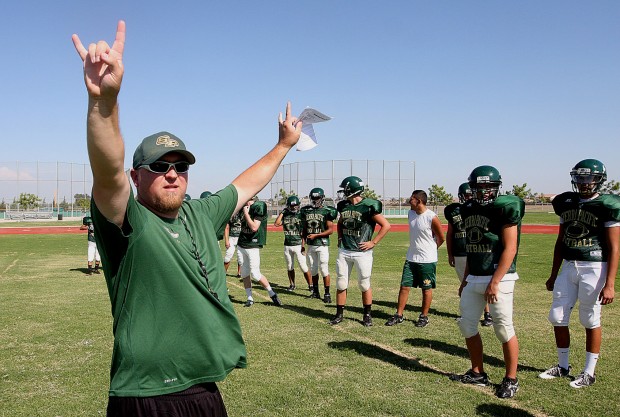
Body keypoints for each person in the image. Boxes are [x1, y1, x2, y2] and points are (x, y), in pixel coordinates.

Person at [72, 21, 302, 416]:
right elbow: (107, 169)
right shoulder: (128, 220)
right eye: (160, 166)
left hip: (204, 389)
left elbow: (245, 185)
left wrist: (282, 146)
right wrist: (104, 103)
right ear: (136, 176)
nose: (173, 173)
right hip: (144, 396)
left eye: (181, 165)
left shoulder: (199, 213)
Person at [539, 159, 619, 388]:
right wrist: (553, 273)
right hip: (569, 264)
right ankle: (563, 366)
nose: (584, 183)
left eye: (589, 178)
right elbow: (560, 240)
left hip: (594, 266)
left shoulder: (608, 204)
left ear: (599, 179)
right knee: (557, 316)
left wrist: (610, 283)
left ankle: (589, 372)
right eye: (581, 178)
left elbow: (614, 247)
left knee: (590, 318)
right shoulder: (567, 202)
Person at [449, 165, 524, 399]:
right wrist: (466, 278)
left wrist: (495, 281)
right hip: (475, 275)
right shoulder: (468, 208)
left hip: (500, 277)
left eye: (487, 187)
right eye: (478, 187)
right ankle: (477, 372)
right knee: (467, 325)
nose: (483, 192)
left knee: (503, 328)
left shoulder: (505, 207)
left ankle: (511, 379)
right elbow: (473, 248)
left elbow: (510, 248)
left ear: (496, 188)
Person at [330, 176, 391, 327]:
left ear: (352, 189)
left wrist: (373, 242)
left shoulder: (369, 205)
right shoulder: (343, 205)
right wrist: (339, 237)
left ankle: (367, 314)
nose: (343, 192)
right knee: (341, 282)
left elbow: (386, 225)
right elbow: (340, 222)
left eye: (345, 189)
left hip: (361, 252)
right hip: (345, 250)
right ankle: (339, 314)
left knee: (364, 284)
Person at [385, 190, 444, 327]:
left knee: (426, 288)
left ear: (419, 201)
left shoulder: (432, 217)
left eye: (411, 199)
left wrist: (430, 251)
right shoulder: (410, 213)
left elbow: (441, 238)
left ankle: (424, 316)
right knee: (404, 286)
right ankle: (398, 315)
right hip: (411, 258)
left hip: (427, 261)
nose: (408, 201)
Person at [444, 183, 493, 326]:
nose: (468, 198)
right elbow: (450, 233)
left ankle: (488, 314)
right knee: (465, 285)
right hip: (460, 253)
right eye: (466, 195)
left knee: (481, 282)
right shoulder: (454, 211)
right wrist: (450, 254)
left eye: (470, 195)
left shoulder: (481, 209)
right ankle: (469, 314)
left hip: (477, 251)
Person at [238, 196, 283, 307]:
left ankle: (272, 294)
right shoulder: (242, 206)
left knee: (255, 274)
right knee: (244, 273)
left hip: (253, 244)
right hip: (241, 244)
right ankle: (249, 298)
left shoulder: (259, 206)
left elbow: (254, 227)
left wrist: (246, 213)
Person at [300, 187, 338, 302]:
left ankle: (327, 293)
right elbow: (305, 230)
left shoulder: (327, 210)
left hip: (322, 244)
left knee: (324, 269)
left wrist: (316, 235)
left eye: (317, 198)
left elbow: (330, 230)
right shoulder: (306, 211)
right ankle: (316, 292)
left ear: (322, 198)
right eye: (314, 198)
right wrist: (303, 244)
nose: (315, 200)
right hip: (311, 245)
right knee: (313, 269)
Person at [274, 195, 312, 291]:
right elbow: (276, 223)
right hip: (287, 244)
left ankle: (311, 285)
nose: (294, 208)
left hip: (298, 244)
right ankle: (292, 285)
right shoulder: (286, 214)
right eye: (292, 206)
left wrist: (303, 246)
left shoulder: (301, 215)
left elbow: (304, 232)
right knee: (289, 266)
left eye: (296, 206)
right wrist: (282, 212)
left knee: (303, 267)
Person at [223, 210, 243, 277]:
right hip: (232, 237)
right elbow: (226, 227)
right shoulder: (231, 213)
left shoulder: (245, 212)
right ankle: (223, 272)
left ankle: (239, 273)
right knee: (227, 257)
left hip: (242, 238)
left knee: (241, 258)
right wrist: (226, 240)